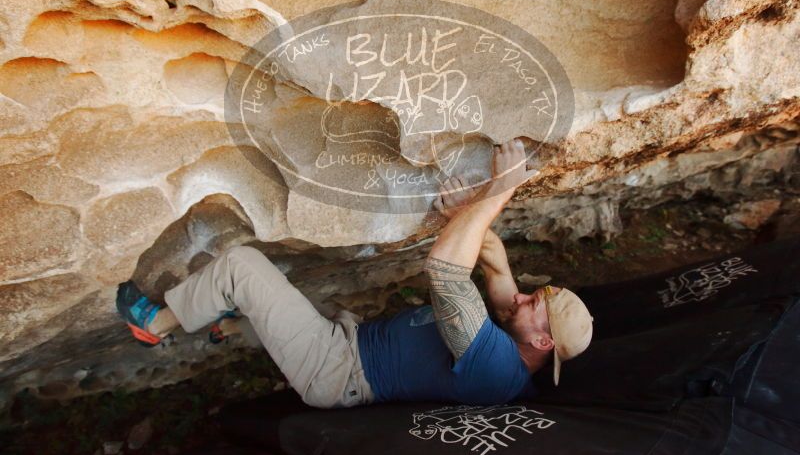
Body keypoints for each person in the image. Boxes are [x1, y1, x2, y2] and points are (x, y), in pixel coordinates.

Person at [117, 139, 593, 408]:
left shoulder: (495, 367)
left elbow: (447, 272)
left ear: (544, 343)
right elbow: (494, 264)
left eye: (536, 305)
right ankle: (229, 329)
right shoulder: (517, 343)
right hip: (349, 338)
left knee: (244, 268)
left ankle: (154, 325)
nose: (524, 298)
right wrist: (469, 213)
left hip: (337, 368)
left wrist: (502, 189)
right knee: (292, 302)